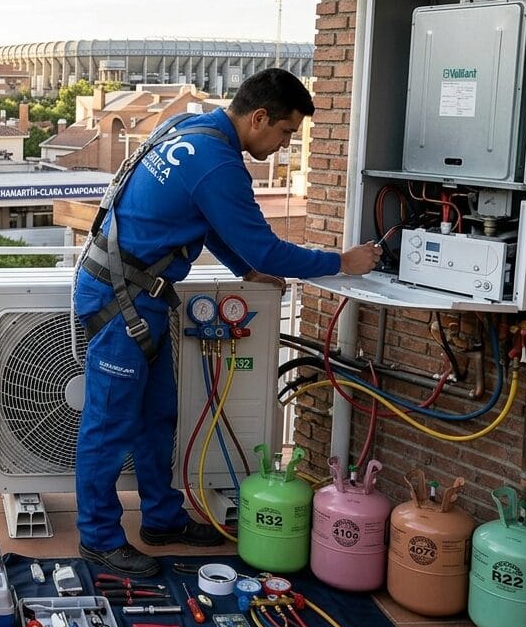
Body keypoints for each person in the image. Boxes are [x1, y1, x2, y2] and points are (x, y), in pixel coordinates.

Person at [73, 68, 381, 577]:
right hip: (120, 299)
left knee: (157, 418)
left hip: (135, 296)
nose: (283, 146)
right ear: (258, 117)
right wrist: (341, 262)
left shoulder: (187, 129)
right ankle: (99, 539)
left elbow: (206, 220)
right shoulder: (219, 164)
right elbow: (266, 244)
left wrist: (245, 270)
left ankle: (162, 520)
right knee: (108, 427)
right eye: (284, 133)